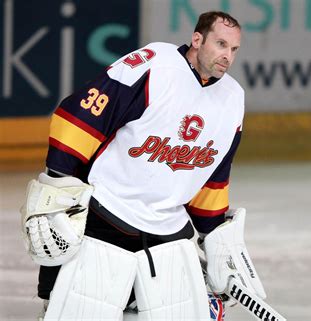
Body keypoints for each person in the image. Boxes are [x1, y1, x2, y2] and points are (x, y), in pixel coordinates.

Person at [21, 11, 266, 321]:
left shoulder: (232, 98)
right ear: (197, 39)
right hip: (106, 215)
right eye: (220, 44)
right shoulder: (155, 65)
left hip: (168, 233)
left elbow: (215, 174)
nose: (227, 56)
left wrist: (214, 235)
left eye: (234, 49)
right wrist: (57, 181)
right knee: (72, 311)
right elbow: (84, 114)